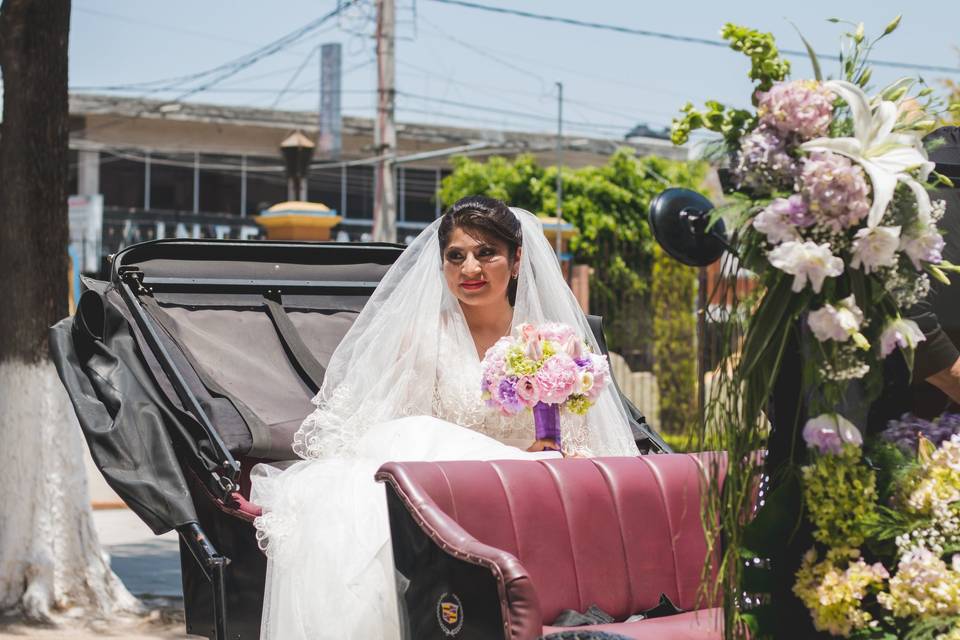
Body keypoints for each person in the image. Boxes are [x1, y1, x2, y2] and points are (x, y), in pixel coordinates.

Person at [250, 196, 638, 640]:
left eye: (485, 253)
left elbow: (577, 442)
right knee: (412, 436)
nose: (469, 268)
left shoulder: (553, 343)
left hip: (531, 497)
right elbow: (400, 436)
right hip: (445, 499)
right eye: (456, 256)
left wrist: (553, 453)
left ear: (515, 262)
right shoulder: (424, 339)